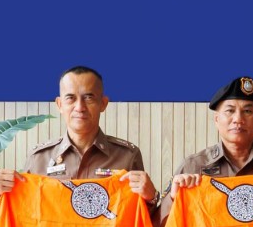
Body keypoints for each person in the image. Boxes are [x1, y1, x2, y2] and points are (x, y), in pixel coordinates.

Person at [162, 75, 253, 203]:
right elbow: (161, 225)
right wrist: (173, 198)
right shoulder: (192, 166)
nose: (238, 119)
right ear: (216, 119)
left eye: (247, 111)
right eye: (230, 111)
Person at [16, 66, 154, 199]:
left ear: (103, 103)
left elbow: (142, 213)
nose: (80, 107)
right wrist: (1, 194)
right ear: (59, 104)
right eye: (70, 98)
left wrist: (151, 197)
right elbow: (24, 209)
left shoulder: (127, 157)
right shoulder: (38, 159)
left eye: (88, 98)